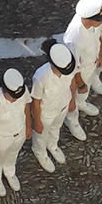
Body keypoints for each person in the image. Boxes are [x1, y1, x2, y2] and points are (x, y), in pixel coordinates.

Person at [30, 42, 79, 171]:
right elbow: (36, 100)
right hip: (46, 113)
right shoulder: (41, 77)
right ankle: (40, 152)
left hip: (62, 107)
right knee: (41, 136)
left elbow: (72, 82)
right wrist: (37, 121)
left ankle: (52, 145)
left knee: (56, 128)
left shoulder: (68, 63)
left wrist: (72, 101)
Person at [62, 0, 102, 130]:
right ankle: (71, 120)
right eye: (99, 20)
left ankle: (81, 103)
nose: (101, 22)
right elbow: (73, 67)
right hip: (81, 71)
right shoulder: (74, 39)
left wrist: (100, 54)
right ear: (87, 20)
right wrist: (80, 84)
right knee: (74, 97)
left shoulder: (91, 21)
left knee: (82, 95)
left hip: (90, 65)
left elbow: (97, 36)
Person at [0, 69, 32, 195]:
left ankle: (9, 171)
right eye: (12, 96)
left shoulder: (22, 91)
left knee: (13, 154)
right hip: (1, 137)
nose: (15, 99)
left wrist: (28, 126)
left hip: (19, 131)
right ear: (4, 90)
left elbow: (26, 106)